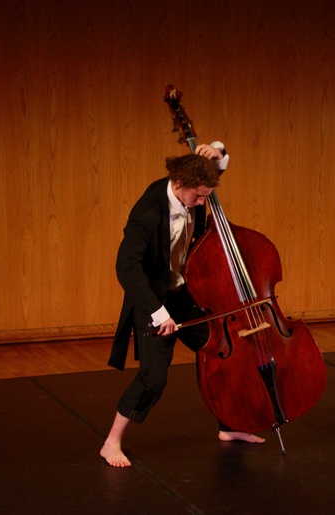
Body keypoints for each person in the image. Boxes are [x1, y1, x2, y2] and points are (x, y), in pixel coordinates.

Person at [101, 141, 264, 468]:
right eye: (199, 196)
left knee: (222, 352)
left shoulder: (193, 187)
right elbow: (127, 267)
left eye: (206, 196)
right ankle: (111, 442)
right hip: (152, 297)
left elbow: (212, 165)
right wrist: (158, 312)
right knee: (154, 378)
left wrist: (219, 152)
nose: (204, 203)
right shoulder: (147, 213)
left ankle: (229, 426)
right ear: (179, 184)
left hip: (182, 292)